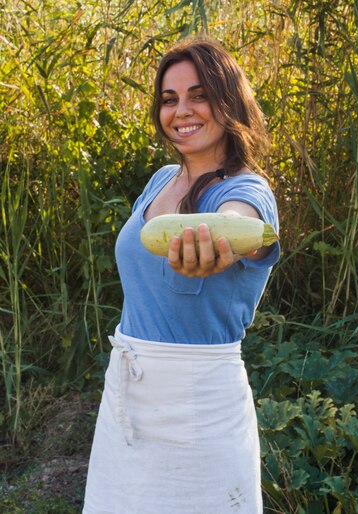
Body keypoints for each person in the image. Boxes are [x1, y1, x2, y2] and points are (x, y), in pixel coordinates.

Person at [83, 35, 281, 514]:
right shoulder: (160, 181)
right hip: (128, 396)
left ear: (228, 100)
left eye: (199, 95)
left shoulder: (247, 189)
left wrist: (220, 245)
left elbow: (241, 226)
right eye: (169, 99)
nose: (181, 110)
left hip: (199, 408)